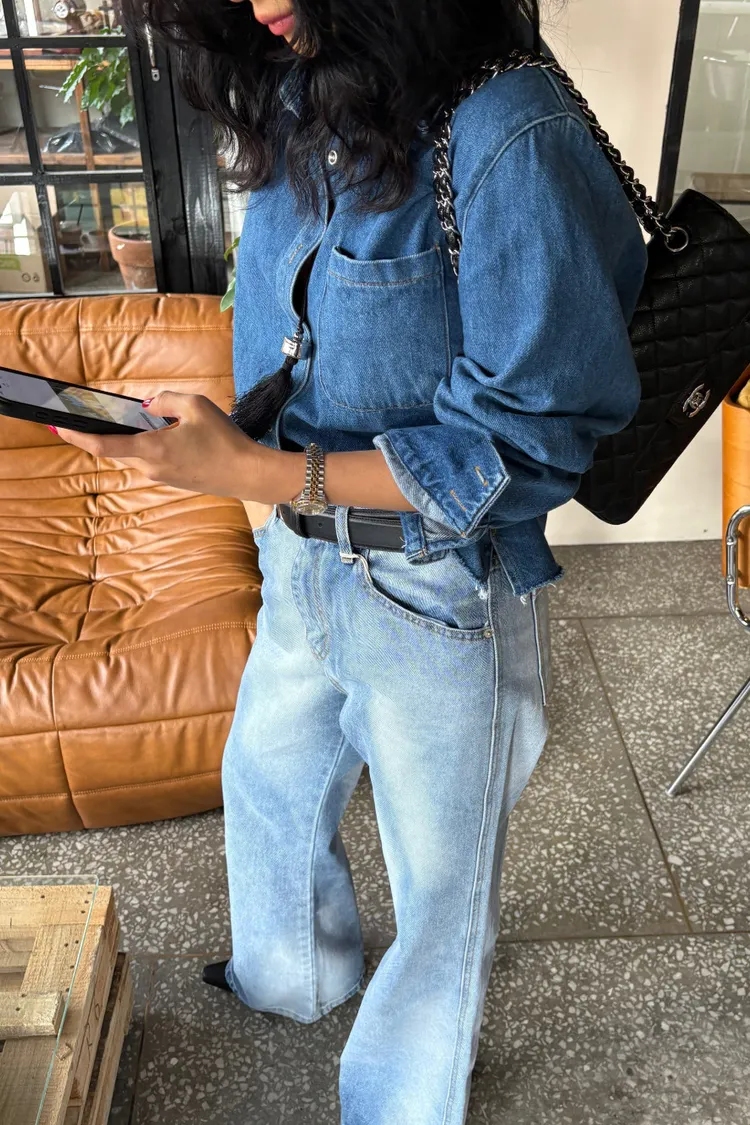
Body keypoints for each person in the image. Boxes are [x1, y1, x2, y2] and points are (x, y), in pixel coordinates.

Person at [53, 0, 648, 1120]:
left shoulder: (510, 130)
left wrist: (257, 473)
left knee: (441, 884)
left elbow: (519, 448)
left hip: (437, 591)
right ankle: (292, 979)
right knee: (267, 782)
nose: (258, 2)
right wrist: (219, 439)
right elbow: (307, 338)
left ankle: (400, 1100)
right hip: (300, 561)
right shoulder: (311, 92)